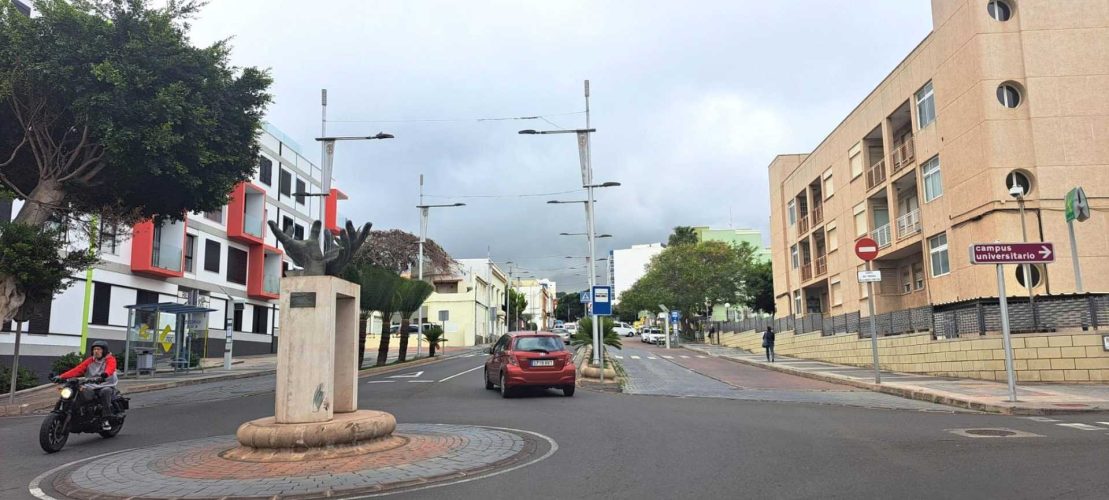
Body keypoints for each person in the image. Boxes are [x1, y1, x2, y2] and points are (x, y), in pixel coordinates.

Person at [56, 340, 119, 430]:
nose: (96, 351)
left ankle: (106, 419)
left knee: (105, 392)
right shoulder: (90, 360)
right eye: (94, 349)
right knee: (76, 391)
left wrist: (105, 374)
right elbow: (78, 369)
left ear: (104, 351)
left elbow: (111, 368)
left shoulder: (110, 359)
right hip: (91, 385)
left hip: (106, 384)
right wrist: (61, 377)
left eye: (98, 349)